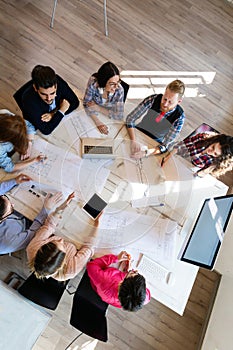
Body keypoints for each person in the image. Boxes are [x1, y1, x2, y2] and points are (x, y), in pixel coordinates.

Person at [27, 193, 100, 281]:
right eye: (62, 246)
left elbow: (49, 225)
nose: (61, 240)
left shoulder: (33, 249)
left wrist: (60, 209)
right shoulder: (70, 270)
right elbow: (89, 247)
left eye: (54, 241)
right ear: (62, 264)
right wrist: (97, 224)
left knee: (90, 195)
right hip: (81, 240)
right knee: (102, 200)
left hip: (66, 225)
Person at [0, 176, 63, 254]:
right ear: (2, 219)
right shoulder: (8, 243)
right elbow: (33, 233)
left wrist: (14, 181)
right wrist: (46, 209)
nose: (13, 204)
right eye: (10, 209)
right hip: (27, 226)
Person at [14, 64, 80, 136]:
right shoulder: (28, 99)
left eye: (52, 93)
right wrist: (62, 110)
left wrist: (53, 114)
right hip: (36, 126)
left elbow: (75, 102)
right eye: (43, 94)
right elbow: (46, 130)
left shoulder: (58, 82)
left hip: (53, 118)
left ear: (56, 86)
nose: (49, 98)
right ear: (35, 88)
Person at [126, 80, 185, 157]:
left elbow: (165, 145)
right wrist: (133, 141)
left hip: (155, 143)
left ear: (179, 101)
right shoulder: (153, 99)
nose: (165, 104)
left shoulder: (179, 117)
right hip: (138, 132)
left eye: (170, 102)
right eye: (165, 99)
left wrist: (146, 153)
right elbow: (130, 119)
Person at [86, 251, 151, 311]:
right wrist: (129, 272)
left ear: (121, 282)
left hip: (99, 279)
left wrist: (115, 258)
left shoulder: (105, 279)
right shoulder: (144, 298)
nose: (135, 271)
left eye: (132, 273)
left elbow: (91, 265)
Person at [162, 132, 233, 178]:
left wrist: (210, 168)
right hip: (176, 158)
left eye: (215, 154)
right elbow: (180, 145)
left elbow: (199, 174)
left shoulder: (216, 162)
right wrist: (168, 157)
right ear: (214, 140)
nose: (210, 152)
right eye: (213, 147)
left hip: (187, 172)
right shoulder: (202, 138)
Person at [83, 61, 124, 135]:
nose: (116, 87)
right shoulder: (93, 83)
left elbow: (119, 115)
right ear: (103, 81)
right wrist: (97, 122)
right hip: (98, 115)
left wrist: (99, 108)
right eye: (112, 84)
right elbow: (86, 103)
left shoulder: (119, 90)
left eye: (118, 82)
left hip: (109, 118)